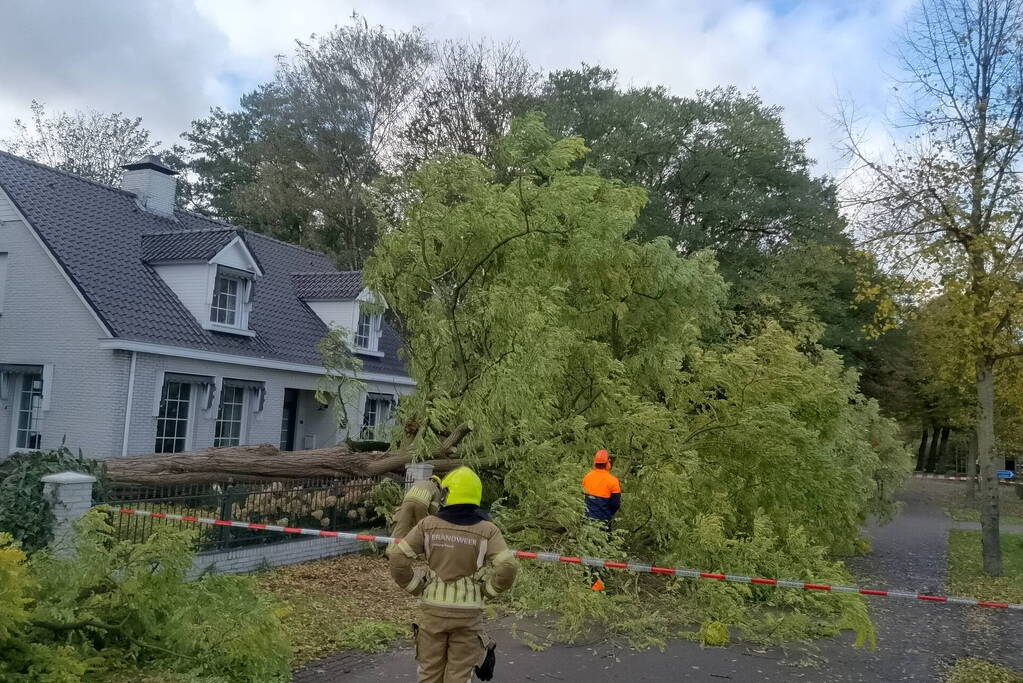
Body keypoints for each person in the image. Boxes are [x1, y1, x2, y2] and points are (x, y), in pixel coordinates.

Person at [388, 466, 519, 683]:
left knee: (429, 673)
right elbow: (508, 567)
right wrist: (488, 590)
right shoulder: (488, 530)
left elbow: (397, 558)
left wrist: (416, 587)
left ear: (447, 494)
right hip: (468, 614)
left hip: (433, 612)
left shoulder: (427, 525)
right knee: (459, 676)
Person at [391, 474, 443, 540]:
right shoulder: (436, 489)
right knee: (420, 527)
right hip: (422, 504)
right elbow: (433, 509)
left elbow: (407, 495)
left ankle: (397, 545)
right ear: (437, 484)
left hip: (406, 502)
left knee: (402, 526)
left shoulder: (418, 483)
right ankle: (418, 544)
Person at [582, 449, 621, 529]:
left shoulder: (587, 477)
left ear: (595, 463)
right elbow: (615, 504)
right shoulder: (613, 481)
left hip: (587, 520)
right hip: (604, 521)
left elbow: (582, 499)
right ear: (608, 463)